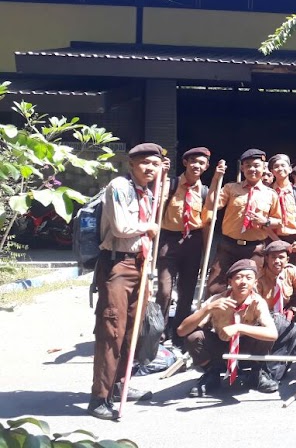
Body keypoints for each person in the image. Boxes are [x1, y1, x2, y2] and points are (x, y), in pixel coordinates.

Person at [88, 143, 166, 420]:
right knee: (112, 330)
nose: (150, 168)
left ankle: (120, 384)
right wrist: (148, 227)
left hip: (140, 264)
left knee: (134, 329)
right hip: (117, 264)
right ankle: (100, 397)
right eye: (145, 163)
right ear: (131, 164)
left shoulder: (147, 190)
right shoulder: (119, 187)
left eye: (155, 164)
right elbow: (122, 229)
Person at [177, 259, 279, 397]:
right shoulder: (217, 300)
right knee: (193, 337)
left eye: (248, 278)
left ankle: (256, 373)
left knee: (264, 335)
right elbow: (181, 330)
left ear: (255, 283)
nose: (243, 282)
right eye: (238, 277)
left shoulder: (257, 301)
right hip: (222, 347)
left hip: (247, 349)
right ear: (230, 282)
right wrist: (207, 309)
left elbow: (273, 333)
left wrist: (239, 328)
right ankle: (212, 373)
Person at [204, 149, 282, 296]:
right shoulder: (231, 188)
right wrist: (216, 178)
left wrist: (265, 221)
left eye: (256, 165)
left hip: (254, 250)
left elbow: (278, 221)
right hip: (228, 246)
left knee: (249, 290)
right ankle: (216, 318)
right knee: (214, 288)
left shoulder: (271, 194)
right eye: (248, 165)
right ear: (242, 168)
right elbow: (211, 205)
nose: (252, 169)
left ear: (264, 167)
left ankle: (245, 319)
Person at [155, 146, 211, 344]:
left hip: (193, 241)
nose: (197, 165)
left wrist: (205, 251)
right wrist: (161, 175)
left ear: (206, 167)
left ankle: (180, 332)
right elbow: (156, 206)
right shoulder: (169, 184)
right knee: (164, 290)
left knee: (187, 291)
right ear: (185, 163)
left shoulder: (205, 192)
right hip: (169, 241)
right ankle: (158, 332)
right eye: (193, 161)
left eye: (201, 163)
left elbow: (206, 224)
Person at [254, 240, 296, 389]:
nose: (277, 261)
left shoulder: (290, 271)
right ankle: (265, 367)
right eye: (273, 257)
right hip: (266, 320)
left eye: (281, 257)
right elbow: (255, 309)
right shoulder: (259, 279)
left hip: (287, 313)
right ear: (266, 259)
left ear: (287, 260)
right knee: (279, 325)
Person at [269, 153, 296, 269]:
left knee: (293, 275)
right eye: (276, 166)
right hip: (273, 238)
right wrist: (279, 242)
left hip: (295, 241)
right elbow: (263, 222)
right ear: (272, 171)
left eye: (283, 166)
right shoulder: (267, 192)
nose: (280, 169)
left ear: (289, 169)